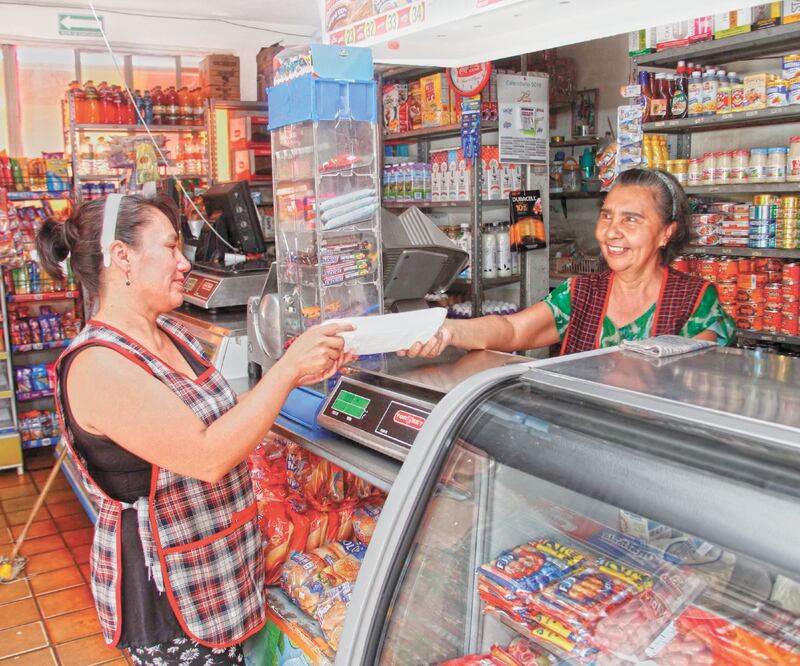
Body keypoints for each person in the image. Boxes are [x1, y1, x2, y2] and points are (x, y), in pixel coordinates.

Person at [36, 194, 352, 665]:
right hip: (171, 591)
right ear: (122, 257)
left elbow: (214, 419)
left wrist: (297, 379)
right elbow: (205, 456)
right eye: (169, 247)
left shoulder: (167, 334)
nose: (185, 262)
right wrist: (285, 371)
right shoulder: (98, 365)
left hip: (216, 568)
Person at [404, 169, 735, 358]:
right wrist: (446, 330)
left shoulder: (696, 300)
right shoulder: (583, 291)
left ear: (666, 232)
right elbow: (514, 328)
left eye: (631, 220)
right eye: (607, 216)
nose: (612, 231)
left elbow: (693, 389)